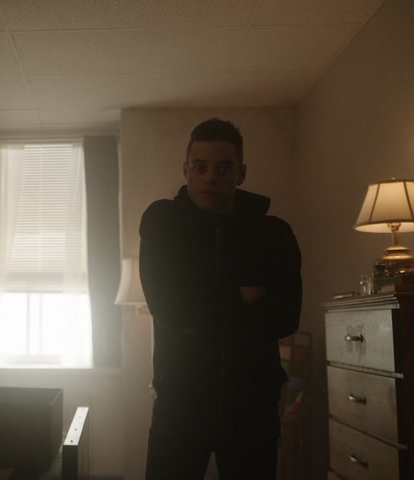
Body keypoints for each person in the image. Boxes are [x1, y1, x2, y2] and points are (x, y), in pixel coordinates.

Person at [139, 118, 302, 479]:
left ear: (241, 173)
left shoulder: (273, 233)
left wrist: (201, 311)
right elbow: (170, 310)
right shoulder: (162, 224)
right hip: (180, 402)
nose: (210, 177)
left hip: (252, 405)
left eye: (223, 168)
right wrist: (241, 297)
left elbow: (286, 316)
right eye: (200, 167)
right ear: (186, 170)